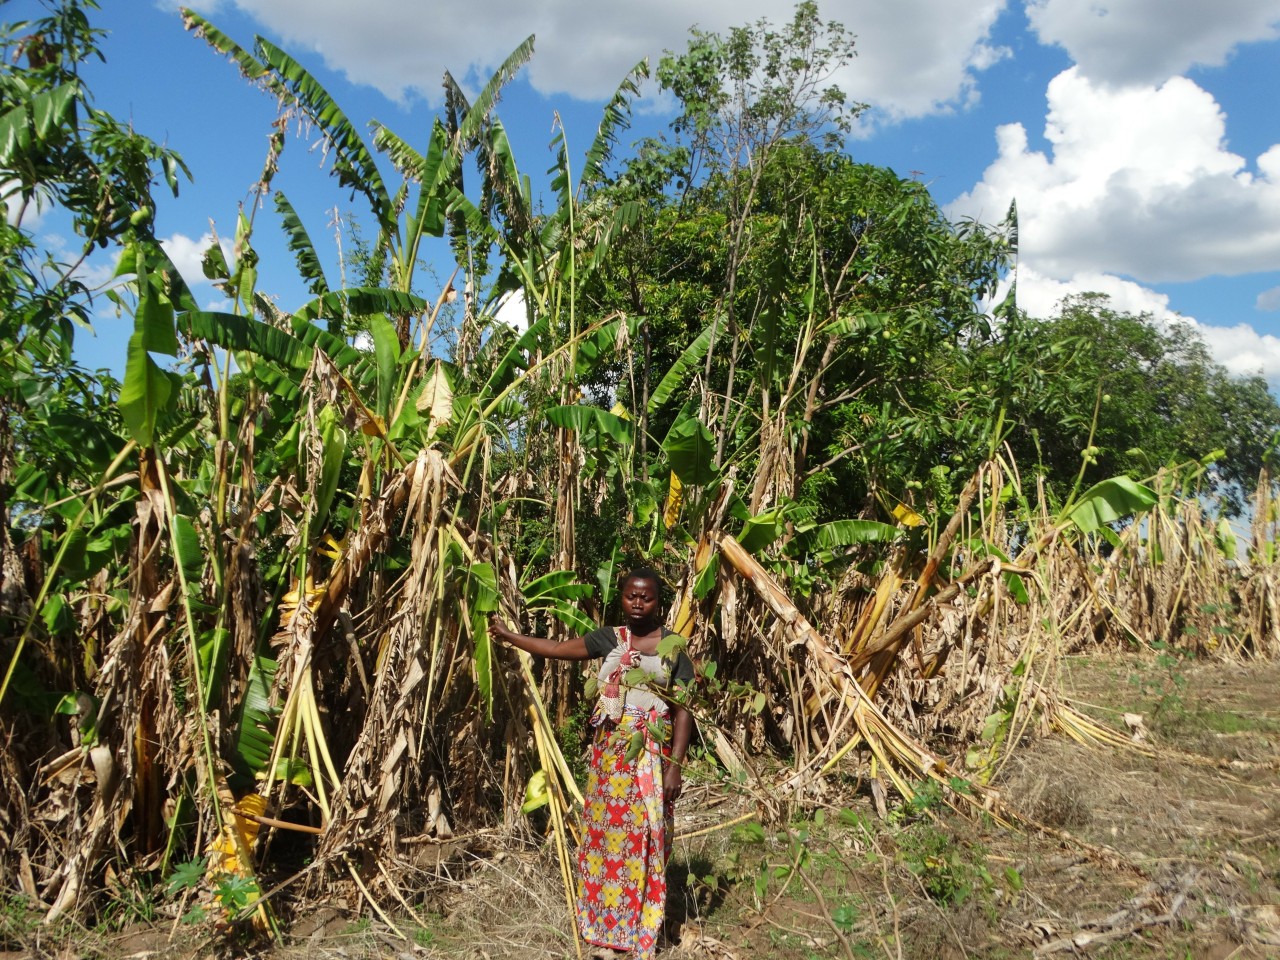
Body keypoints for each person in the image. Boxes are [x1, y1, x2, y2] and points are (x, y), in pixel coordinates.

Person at [488, 567, 695, 960]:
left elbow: (683, 708)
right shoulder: (608, 639)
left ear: (659, 602)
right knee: (605, 840)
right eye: (631, 595)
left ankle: (640, 927)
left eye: (646, 597)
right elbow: (555, 648)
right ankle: (603, 928)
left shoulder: (674, 648)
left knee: (646, 839)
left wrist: (675, 765)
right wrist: (509, 635)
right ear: (622, 598)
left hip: (651, 755)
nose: (638, 603)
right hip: (609, 756)